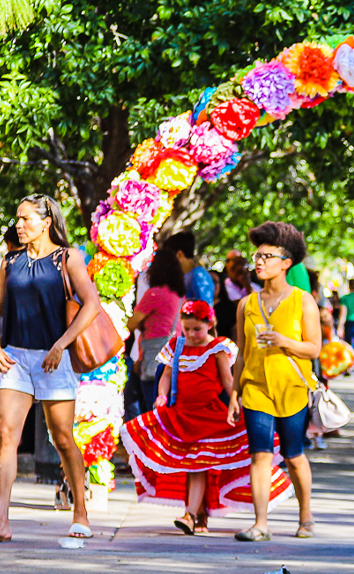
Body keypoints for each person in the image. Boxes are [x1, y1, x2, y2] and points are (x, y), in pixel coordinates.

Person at [0, 194, 100, 544]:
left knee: (62, 438)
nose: (19, 224)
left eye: (26, 219)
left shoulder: (67, 257)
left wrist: (61, 344)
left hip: (52, 358)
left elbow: (91, 305)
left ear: (46, 222)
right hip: (14, 356)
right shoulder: (9, 261)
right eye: (17, 218)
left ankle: (81, 514)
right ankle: (1, 522)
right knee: (6, 438)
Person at [121, 299, 292, 534]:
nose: (191, 334)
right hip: (181, 416)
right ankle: (197, 514)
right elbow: (166, 376)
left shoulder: (218, 348)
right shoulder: (176, 346)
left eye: (197, 329)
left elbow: (227, 380)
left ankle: (192, 514)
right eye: (186, 329)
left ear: (210, 324)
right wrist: (161, 396)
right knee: (192, 466)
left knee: (198, 466)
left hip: (208, 417)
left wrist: (237, 401)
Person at [227, 221, 322, 541]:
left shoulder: (302, 300)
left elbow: (314, 348)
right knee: (260, 454)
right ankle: (261, 524)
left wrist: (285, 341)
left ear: (286, 263)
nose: (258, 262)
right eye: (256, 256)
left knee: (294, 455)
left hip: (292, 390)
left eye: (266, 256)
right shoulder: (246, 305)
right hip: (256, 389)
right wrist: (234, 393)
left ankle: (305, 516)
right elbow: (241, 352)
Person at [126, 249, 186, 412]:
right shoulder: (180, 296)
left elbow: (131, 324)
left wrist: (141, 323)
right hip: (174, 355)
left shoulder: (155, 294)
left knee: (147, 405)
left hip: (153, 355)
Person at [161, 232, 215, 306]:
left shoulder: (198, 275)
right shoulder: (187, 276)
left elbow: (205, 310)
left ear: (180, 255)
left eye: (169, 258)